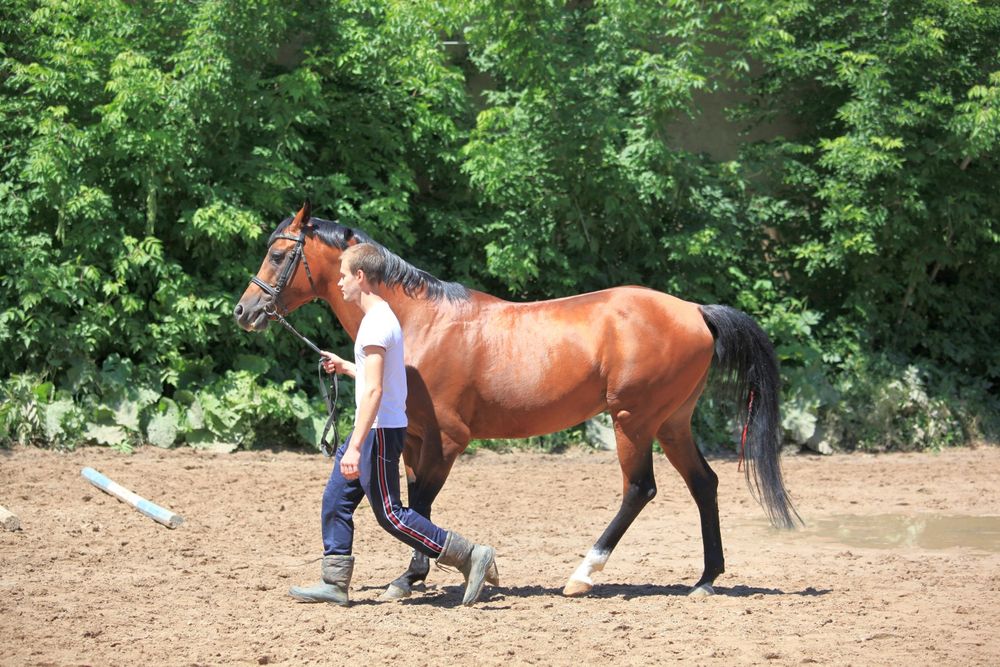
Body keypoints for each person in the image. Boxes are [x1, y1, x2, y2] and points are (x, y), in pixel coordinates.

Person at [289, 242, 498, 607]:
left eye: (343, 276)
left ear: (360, 277)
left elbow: (374, 391)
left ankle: (469, 554)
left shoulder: (374, 325)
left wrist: (355, 446)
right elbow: (380, 377)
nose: (338, 284)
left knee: (390, 515)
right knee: (336, 500)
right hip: (376, 428)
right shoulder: (383, 317)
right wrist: (347, 366)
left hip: (378, 432)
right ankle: (334, 582)